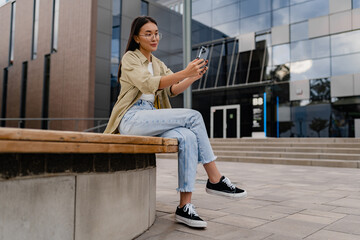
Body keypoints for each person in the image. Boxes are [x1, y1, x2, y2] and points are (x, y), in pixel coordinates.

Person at [104, 16, 247, 228]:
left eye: (156, 33)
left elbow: (172, 89)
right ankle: (215, 179)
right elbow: (148, 84)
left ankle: (184, 207)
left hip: (151, 116)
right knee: (193, 116)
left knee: (188, 136)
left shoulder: (158, 63)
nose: (154, 38)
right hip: (132, 117)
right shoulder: (130, 58)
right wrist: (184, 72)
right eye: (148, 34)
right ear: (136, 37)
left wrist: (192, 77)